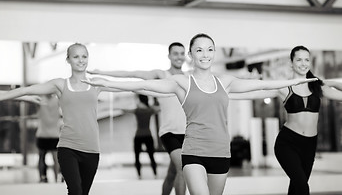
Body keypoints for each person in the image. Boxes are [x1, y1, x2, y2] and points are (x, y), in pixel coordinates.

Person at [83, 34, 317, 195]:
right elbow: (143, 86)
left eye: (209, 49)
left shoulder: (224, 81)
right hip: (193, 151)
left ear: (214, 53)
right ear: (191, 55)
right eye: (199, 50)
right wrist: (107, 82)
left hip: (220, 152)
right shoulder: (180, 82)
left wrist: (294, 80)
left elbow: (264, 86)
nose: (205, 54)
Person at [0, 43, 132, 195]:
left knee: (82, 192)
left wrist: (160, 88)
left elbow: (128, 86)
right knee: (75, 190)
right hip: (68, 146)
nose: (81, 60)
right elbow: (26, 90)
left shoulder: (96, 83)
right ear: (68, 60)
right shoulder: (60, 85)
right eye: (76, 56)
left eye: (84, 56)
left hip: (92, 149)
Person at [229, 45, 342, 195]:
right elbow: (254, 93)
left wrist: (332, 83)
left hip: (309, 144)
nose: (303, 63)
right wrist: (227, 95)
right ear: (291, 63)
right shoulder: (284, 87)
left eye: (307, 59)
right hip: (288, 143)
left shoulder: (317, 87)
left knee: (296, 188)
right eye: (299, 60)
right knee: (302, 187)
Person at [88, 42, 187, 195]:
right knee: (182, 168)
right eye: (175, 53)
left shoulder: (189, 78)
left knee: (173, 172)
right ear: (169, 56)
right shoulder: (161, 75)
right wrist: (102, 73)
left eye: (182, 53)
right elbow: (132, 74)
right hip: (169, 132)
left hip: (187, 133)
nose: (179, 57)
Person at [119, 94, 159, 179]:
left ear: (140, 100)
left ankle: (139, 175)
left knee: (137, 157)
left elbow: (124, 110)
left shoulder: (137, 110)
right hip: (148, 135)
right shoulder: (149, 110)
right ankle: (155, 174)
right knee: (151, 156)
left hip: (138, 136)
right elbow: (158, 109)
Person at [35, 93, 62, 183]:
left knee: (41, 157)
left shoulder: (39, 100)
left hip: (42, 133)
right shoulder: (57, 100)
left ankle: (42, 178)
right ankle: (56, 179)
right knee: (55, 158)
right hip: (54, 134)